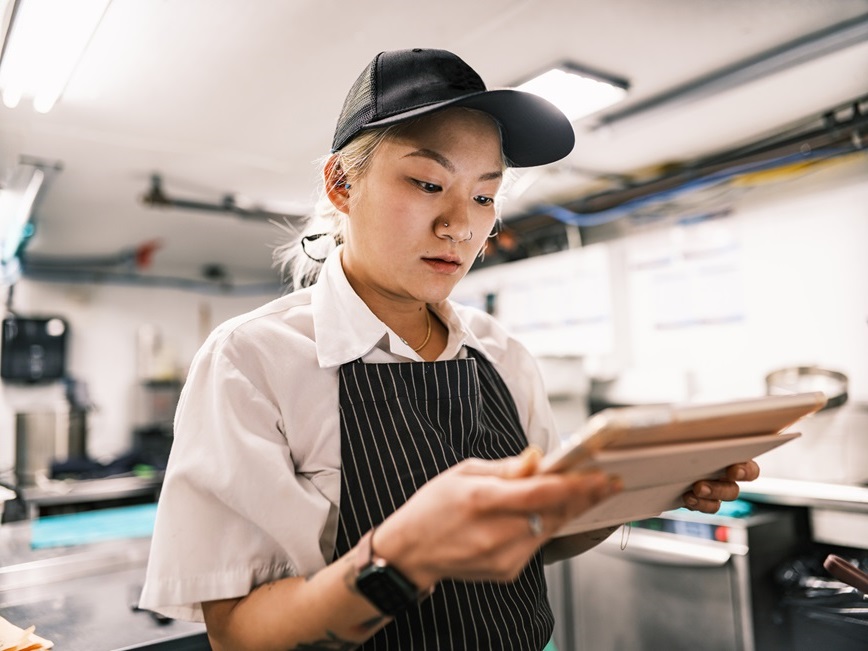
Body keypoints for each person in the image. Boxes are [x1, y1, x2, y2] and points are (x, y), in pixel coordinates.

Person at [139, 48, 760, 650]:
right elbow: (239, 635)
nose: (461, 225)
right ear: (341, 184)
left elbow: (537, 537)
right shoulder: (253, 362)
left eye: (485, 196)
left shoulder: (501, 353)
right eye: (428, 183)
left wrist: (647, 486)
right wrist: (402, 558)